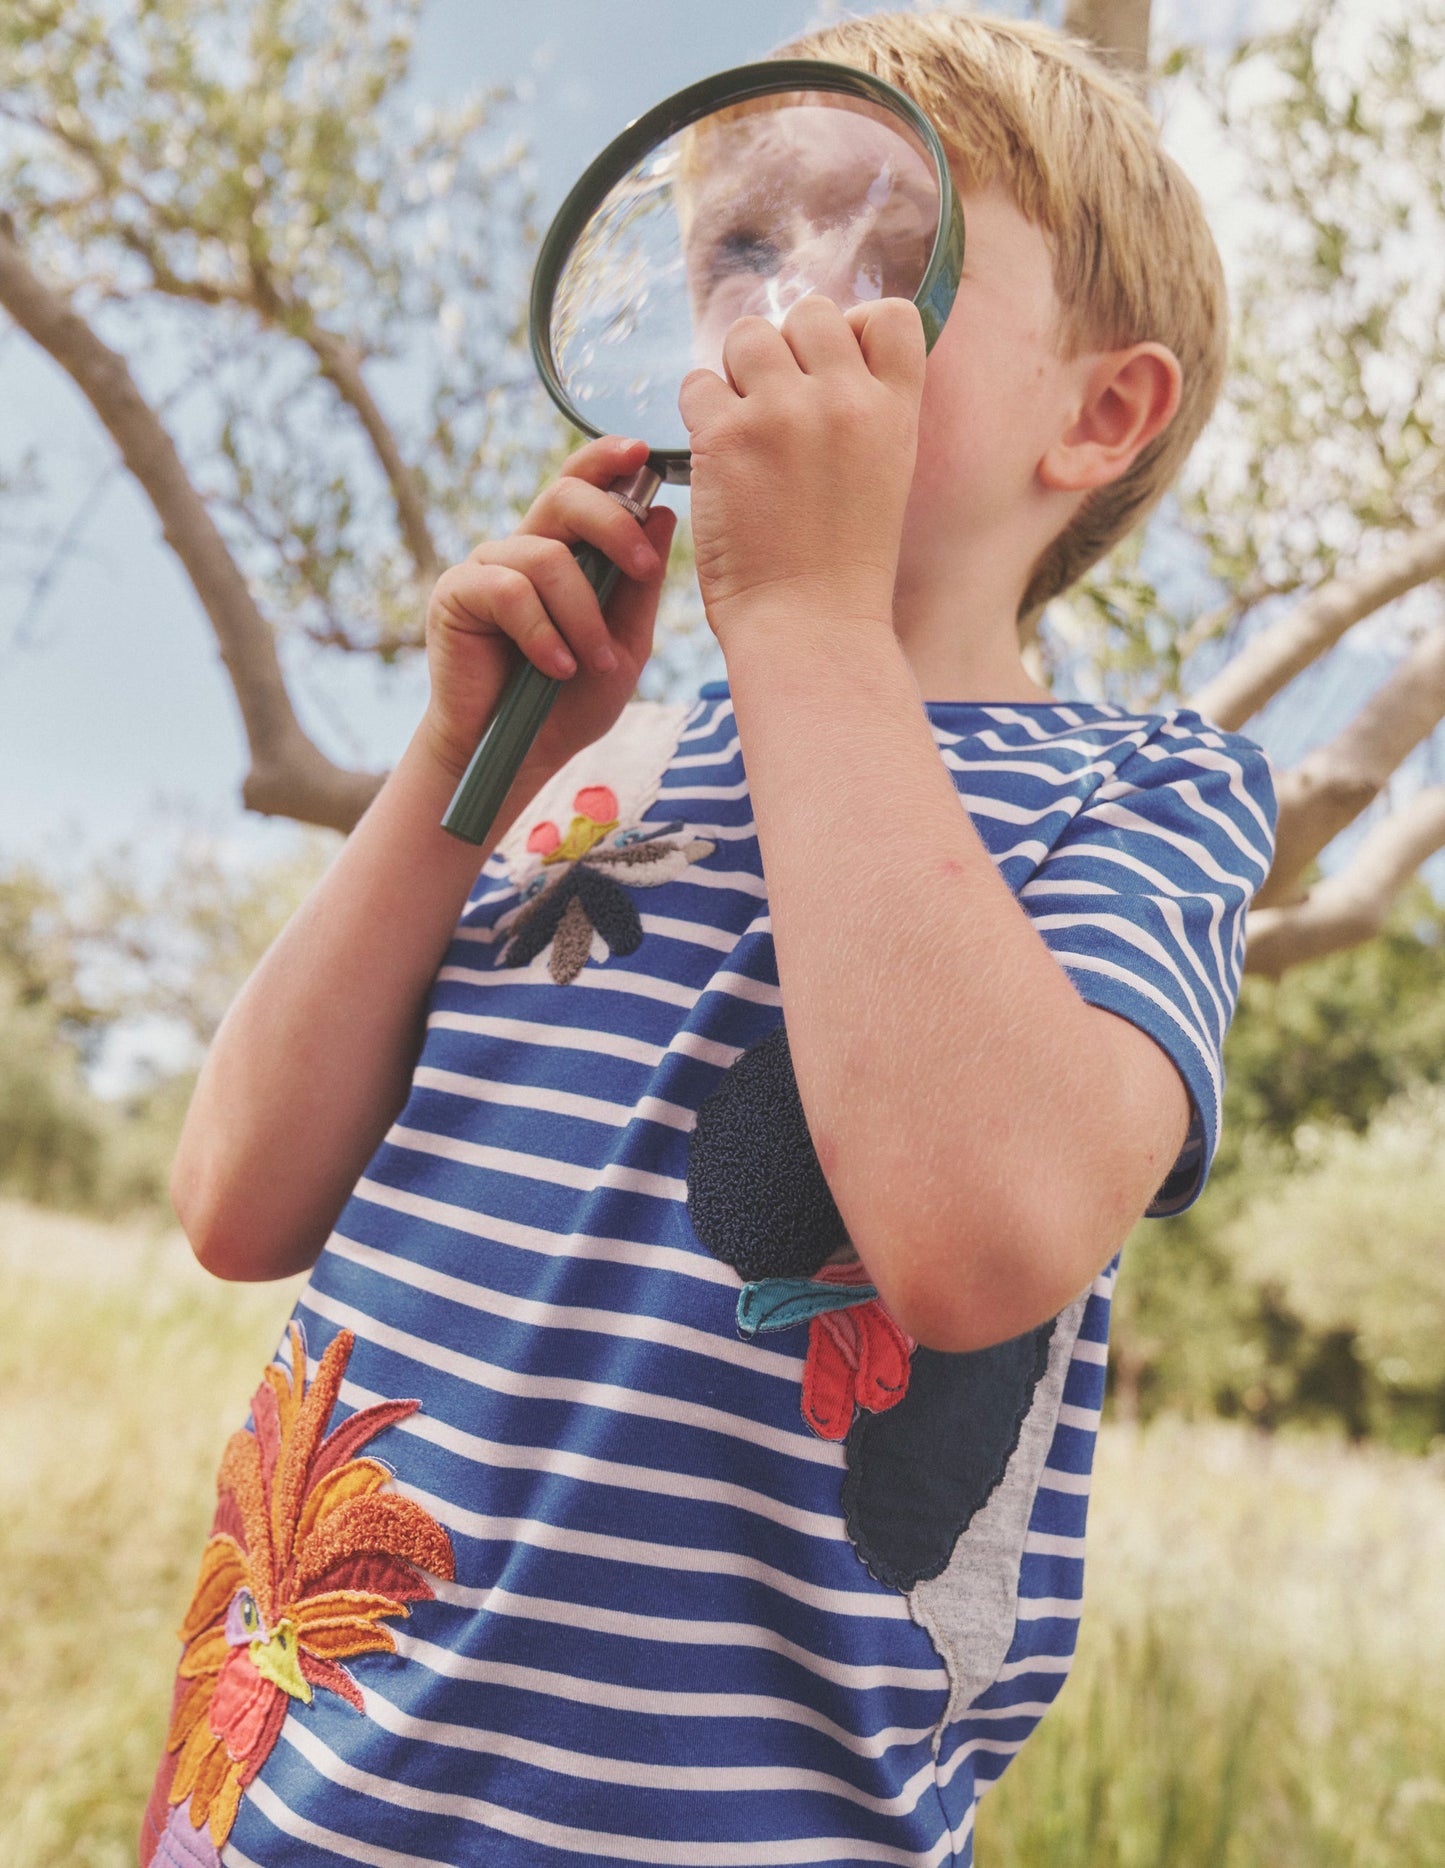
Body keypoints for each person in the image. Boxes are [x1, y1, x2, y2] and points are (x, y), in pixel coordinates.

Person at [140, 12, 1277, 1867]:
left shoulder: (1141, 792)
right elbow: (236, 1196)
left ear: (1100, 415)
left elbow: (981, 1239)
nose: (783, 308)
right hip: (281, 1792)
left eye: (894, 257)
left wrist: (811, 627)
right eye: (738, 250)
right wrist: (458, 759)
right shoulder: (581, 779)